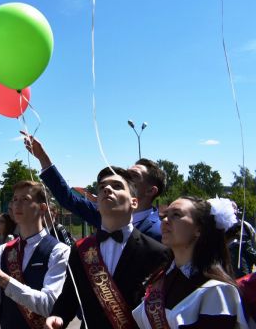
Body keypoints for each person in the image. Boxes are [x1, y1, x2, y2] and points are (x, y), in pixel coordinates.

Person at [45, 167, 170, 329]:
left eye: (117, 186)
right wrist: (58, 316)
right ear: (96, 205)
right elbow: (69, 296)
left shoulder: (157, 253)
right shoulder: (80, 249)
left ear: (134, 202)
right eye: (102, 186)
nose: (107, 189)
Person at [24, 132, 165, 241]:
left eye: (133, 176)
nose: (125, 179)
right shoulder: (103, 213)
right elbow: (67, 197)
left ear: (151, 190)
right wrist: (42, 157)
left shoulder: (161, 231)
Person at [132, 197, 249, 328]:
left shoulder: (217, 291)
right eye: (164, 215)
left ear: (199, 229)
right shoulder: (160, 277)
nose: (165, 220)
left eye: (176, 215)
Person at [0, 181, 70, 329]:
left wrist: (4, 280)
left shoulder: (59, 250)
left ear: (42, 208)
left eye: (25, 199)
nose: (17, 204)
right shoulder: (3, 250)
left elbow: (50, 306)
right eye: (15, 199)